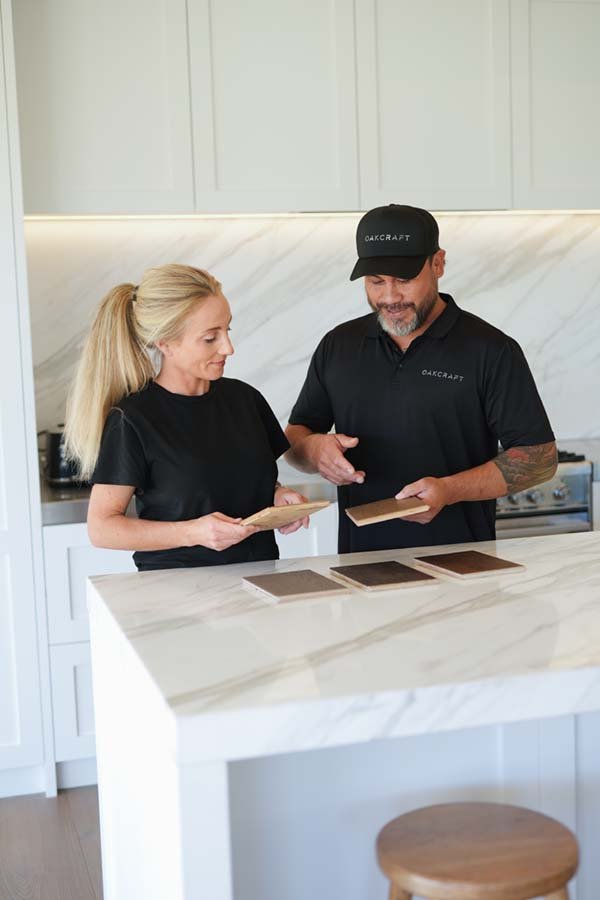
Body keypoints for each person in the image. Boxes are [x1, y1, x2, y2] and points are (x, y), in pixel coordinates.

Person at [284, 204, 557, 554]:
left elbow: (540, 458)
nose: (390, 297)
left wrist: (449, 490)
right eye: (376, 281)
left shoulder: (491, 350)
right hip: (361, 569)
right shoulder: (338, 345)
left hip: (464, 567)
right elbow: (296, 436)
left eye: (404, 279)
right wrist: (314, 450)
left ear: (438, 263)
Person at [65, 264, 309, 571]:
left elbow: (250, 482)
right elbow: (101, 528)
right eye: (210, 338)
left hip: (260, 580)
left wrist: (279, 497)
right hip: (179, 594)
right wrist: (193, 532)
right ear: (165, 343)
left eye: (227, 330)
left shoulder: (245, 400)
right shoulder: (132, 419)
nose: (228, 348)